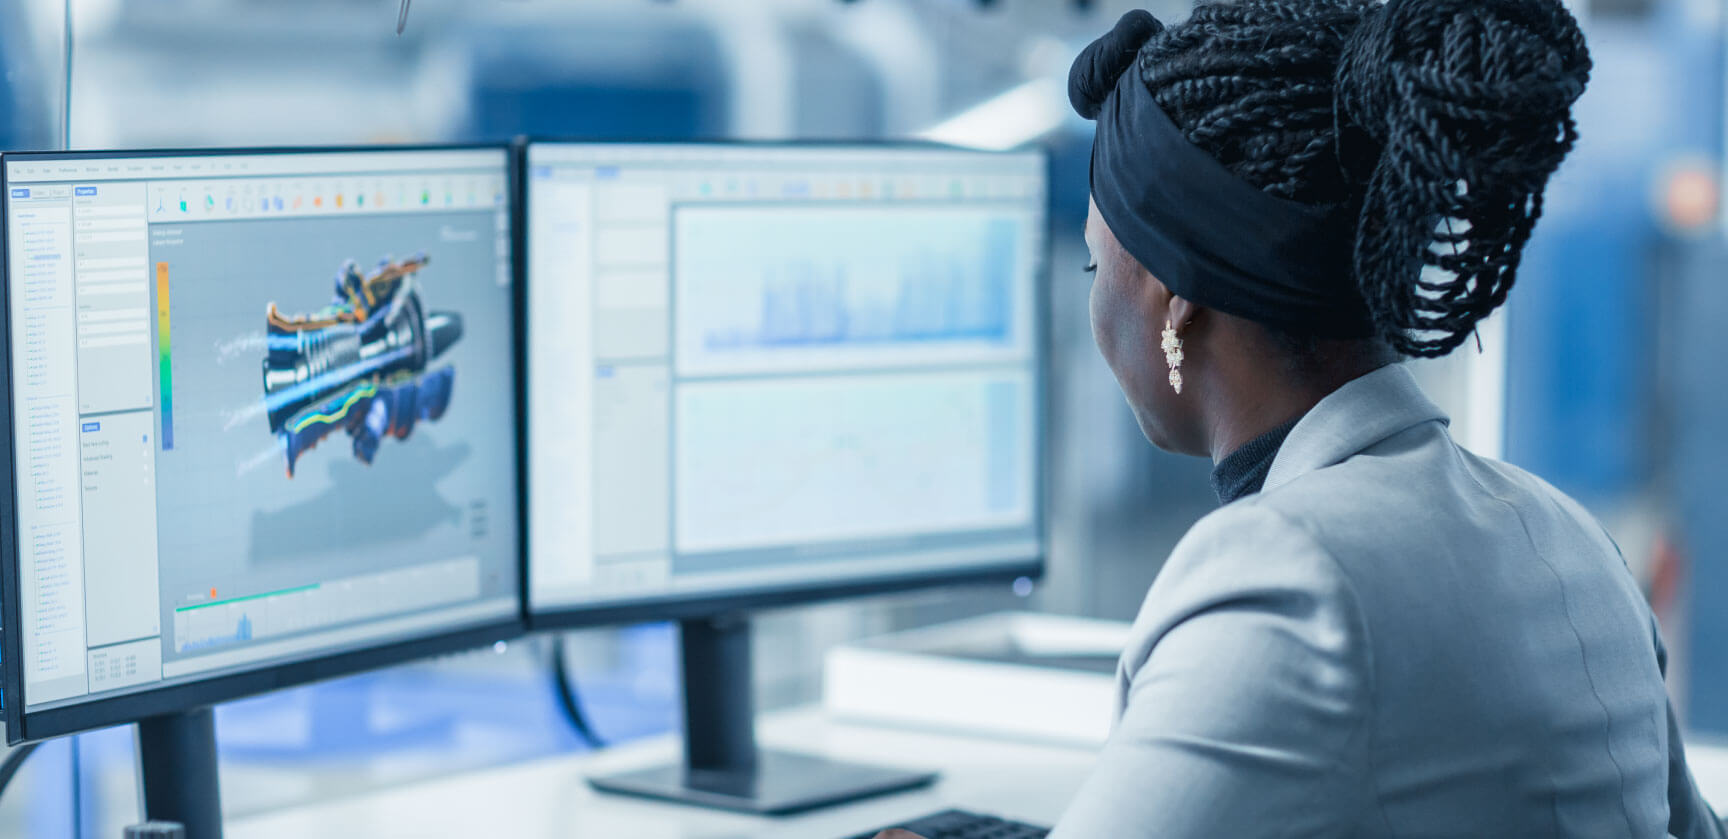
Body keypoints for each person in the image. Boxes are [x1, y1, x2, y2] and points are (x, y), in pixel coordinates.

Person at [881, 1, 1725, 837]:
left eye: (1099, 262)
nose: (1095, 296)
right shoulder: (1571, 536)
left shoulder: (1288, 578)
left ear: (1174, 304)